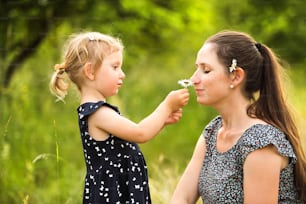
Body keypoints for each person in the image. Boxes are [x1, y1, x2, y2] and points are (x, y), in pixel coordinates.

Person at [49, 31, 189, 204]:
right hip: (115, 195)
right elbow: (140, 133)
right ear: (90, 71)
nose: (122, 74)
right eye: (115, 67)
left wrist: (161, 122)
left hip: (120, 191)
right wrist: (167, 105)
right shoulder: (98, 113)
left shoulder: (96, 112)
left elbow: (130, 137)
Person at [171, 30, 306, 203]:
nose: (193, 79)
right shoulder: (213, 131)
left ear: (235, 76)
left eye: (205, 70)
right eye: (196, 68)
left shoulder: (261, 142)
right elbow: (182, 198)